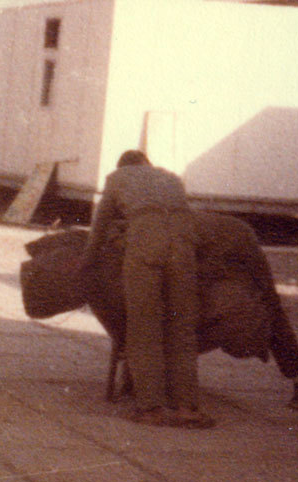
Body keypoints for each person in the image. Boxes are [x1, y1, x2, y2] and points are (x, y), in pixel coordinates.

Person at [81, 149, 213, 427]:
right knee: (181, 326)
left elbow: (100, 226)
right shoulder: (171, 178)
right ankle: (186, 407)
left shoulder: (117, 178)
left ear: (123, 166)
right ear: (147, 164)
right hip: (183, 244)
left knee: (143, 326)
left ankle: (150, 408)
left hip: (145, 242)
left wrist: (87, 262)